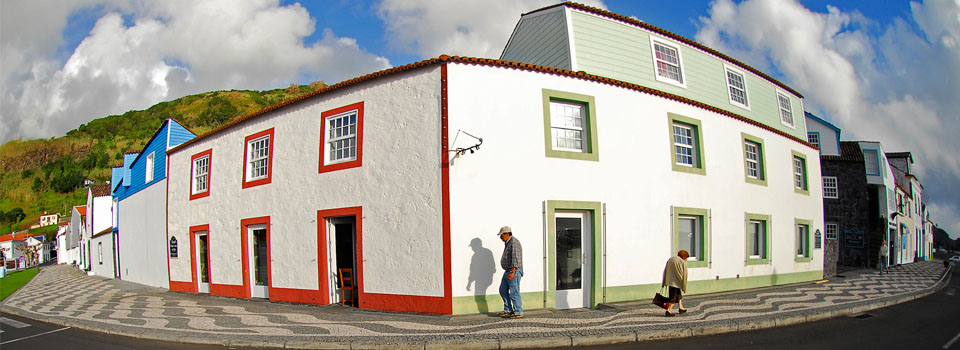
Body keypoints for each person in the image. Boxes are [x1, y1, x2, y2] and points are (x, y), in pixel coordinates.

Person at [497, 226, 524, 318]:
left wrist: (512, 271)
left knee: (514, 291)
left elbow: (516, 258)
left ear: (507, 234)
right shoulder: (508, 243)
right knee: (503, 290)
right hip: (508, 270)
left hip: (514, 270)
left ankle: (518, 311)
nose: (500, 237)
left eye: (501, 235)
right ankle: (508, 309)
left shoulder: (514, 242)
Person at [661, 250, 689, 317]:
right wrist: (684, 287)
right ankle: (668, 310)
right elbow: (684, 275)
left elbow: (665, 270)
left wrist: (664, 281)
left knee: (678, 295)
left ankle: (681, 308)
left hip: (670, 281)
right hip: (676, 283)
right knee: (673, 297)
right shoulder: (682, 262)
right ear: (684, 257)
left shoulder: (671, 259)